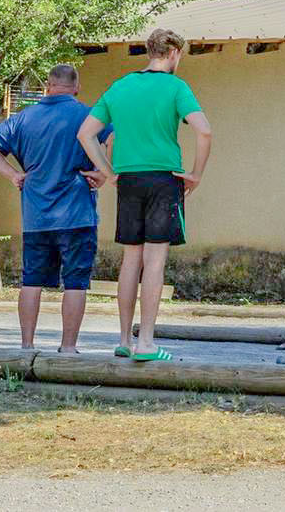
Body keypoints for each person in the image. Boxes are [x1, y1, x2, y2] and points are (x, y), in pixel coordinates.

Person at [79, 28, 212, 362]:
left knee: (131, 259)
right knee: (154, 261)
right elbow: (204, 130)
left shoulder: (121, 85)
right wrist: (195, 174)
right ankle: (147, 342)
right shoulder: (176, 87)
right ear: (172, 53)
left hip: (129, 180)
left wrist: (108, 172)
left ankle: (124, 338)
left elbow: (86, 134)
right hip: (164, 179)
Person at [0, 64, 108, 352]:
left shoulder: (24, 117)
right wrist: (103, 171)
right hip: (77, 213)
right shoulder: (89, 115)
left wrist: (12, 174)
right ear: (77, 87)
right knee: (75, 283)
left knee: (32, 280)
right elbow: (114, 137)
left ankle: (27, 344)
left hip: (37, 215)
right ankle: (68, 347)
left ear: (47, 86)